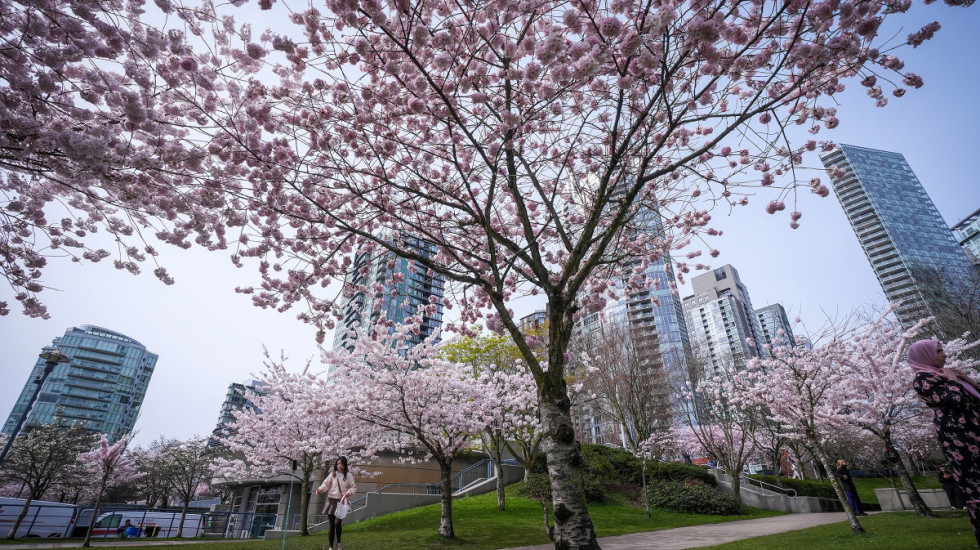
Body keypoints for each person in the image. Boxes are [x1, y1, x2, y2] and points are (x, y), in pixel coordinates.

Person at [910, 339, 980, 546]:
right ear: (925, 355)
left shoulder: (942, 374)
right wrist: (952, 380)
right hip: (961, 439)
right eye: (939, 351)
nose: (945, 355)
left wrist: (968, 381)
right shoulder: (922, 379)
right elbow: (953, 401)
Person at [316, 456, 357, 550]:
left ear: (345, 465)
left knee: (338, 523)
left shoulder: (348, 476)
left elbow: (353, 487)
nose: (339, 466)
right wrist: (320, 489)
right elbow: (325, 484)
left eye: (341, 464)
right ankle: (331, 546)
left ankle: (338, 542)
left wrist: (349, 492)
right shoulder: (332, 474)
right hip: (331, 500)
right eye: (338, 464)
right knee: (332, 525)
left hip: (341, 501)